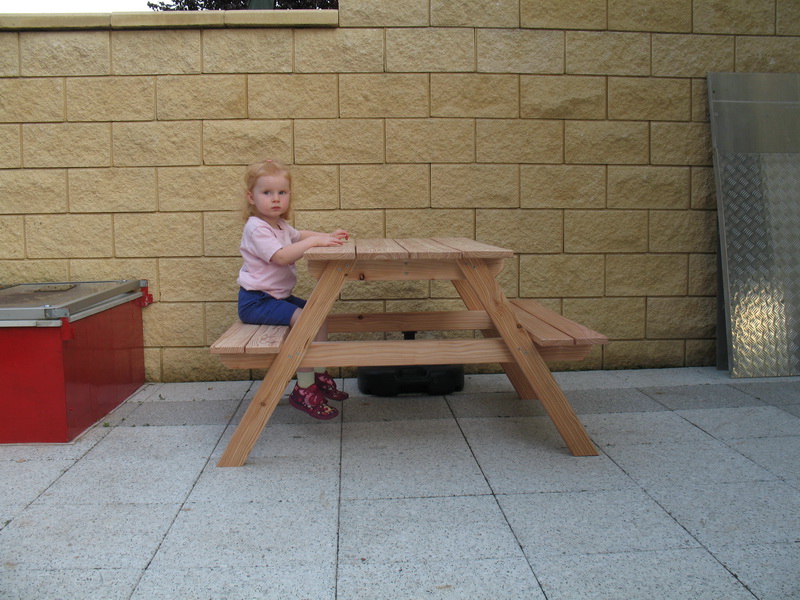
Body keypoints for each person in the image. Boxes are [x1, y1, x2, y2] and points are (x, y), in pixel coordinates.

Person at [237, 159, 350, 420]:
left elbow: (298, 236)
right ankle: (304, 387)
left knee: (319, 314)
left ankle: (319, 373)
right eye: (267, 193)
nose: (275, 199)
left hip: (277, 298)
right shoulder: (257, 227)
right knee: (304, 320)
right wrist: (316, 241)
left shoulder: (280, 226)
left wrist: (328, 236)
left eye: (282, 192)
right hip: (257, 301)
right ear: (251, 197)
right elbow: (281, 256)